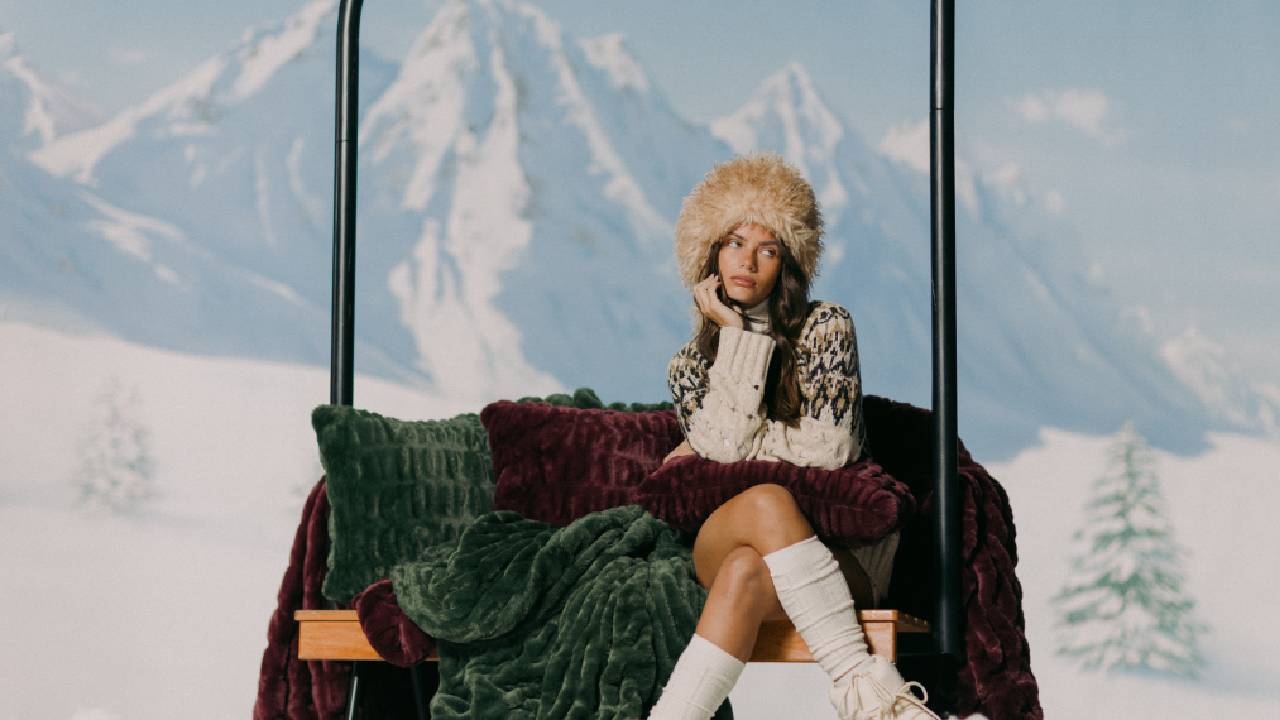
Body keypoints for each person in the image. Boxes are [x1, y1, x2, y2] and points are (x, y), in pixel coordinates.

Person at [647, 154, 938, 720]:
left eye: (768, 248)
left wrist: (743, 447)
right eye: (733, 242)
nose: (747, 261)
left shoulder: (826, 327)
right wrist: (735, 338)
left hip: (841, 557)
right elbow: (731, 447)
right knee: (765, 500)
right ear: (708, 254)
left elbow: (831, 449)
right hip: (727, 533)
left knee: (749, 560)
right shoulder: (687, 365)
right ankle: (867, 690)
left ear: (789, 263)